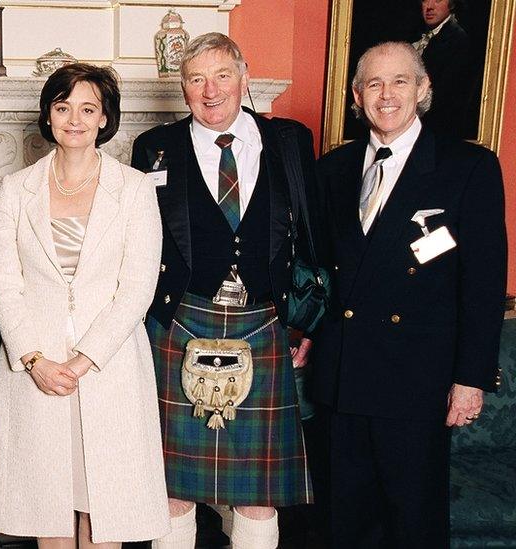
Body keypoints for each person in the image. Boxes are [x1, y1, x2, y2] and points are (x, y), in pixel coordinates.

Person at [311, 41, 506, 548]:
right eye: (373, 83)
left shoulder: (468, 167)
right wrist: (305, 330)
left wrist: (471, 378)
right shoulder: (333, 169)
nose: (386, 94)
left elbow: (484, 285)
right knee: (342, 524)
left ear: (423, 89)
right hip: (342, 378)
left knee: (412, 524)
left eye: (400, 81)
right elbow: (319, 270)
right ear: (357, 96)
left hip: (416, 381)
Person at [131, 32, 317, 548]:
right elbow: (138, 240)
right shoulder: (154, 148)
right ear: (183, 87)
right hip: (181, 322)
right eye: (196, 79)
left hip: (266, 320)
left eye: (222, 75)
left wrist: (309, 321)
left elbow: (314, 235)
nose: (210, 91)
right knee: (173, 488)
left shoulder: (289, 141)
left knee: (258, 492)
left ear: (244, 77)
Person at [0, 62, 169, 548]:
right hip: (36, 373)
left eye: (88, 108)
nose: (74, 119)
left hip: (106, 370)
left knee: (104, 510)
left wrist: (84, 360)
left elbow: (137, 286)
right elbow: (2, 282)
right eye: (63, 107)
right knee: (49, 511)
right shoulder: (15, 189)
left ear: (105, 118)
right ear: (48, 116)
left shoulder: (134, 188)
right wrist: (34, 359)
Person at [412, 0, 480, 138]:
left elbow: (446, 98)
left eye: (437, 0)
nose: (429, 6)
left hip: (435, 130)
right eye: (425, 0)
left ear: (452, 4)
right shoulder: (417, 34)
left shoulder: (458, 41)